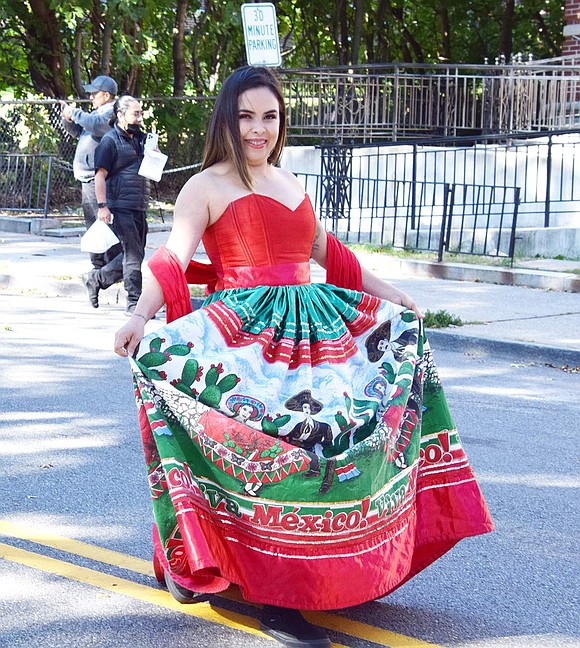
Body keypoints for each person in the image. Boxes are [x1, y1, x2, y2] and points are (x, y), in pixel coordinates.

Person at [113, 66, 493, 648]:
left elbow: (325, 251)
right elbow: (172, 258)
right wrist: (140, 315)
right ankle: (273, 594)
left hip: (316, 332)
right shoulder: (206, 186)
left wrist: (388, 294)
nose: (258, 129)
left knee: (340, 440)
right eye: (246, 116)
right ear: (227, 119)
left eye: (269, 116)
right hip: (245, 338)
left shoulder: (290, 181)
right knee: (271, 455)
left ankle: (313, 569)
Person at [60, 75, 123, 304]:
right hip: (88, 178)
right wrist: (68, 118)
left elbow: (96, 127)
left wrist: (75, 113)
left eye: (94, 93)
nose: (91, 97)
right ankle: (97, 272)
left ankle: (101, 274)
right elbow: (80, 132)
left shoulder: (109, 112)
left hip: (100, 180)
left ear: (106, 95)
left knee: (107, 230)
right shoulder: (94, 114)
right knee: (94, 229)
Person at [92, 95, 150, 315]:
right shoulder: (109, 140)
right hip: (119, 204)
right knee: (133, 255)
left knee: (135, 253)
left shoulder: (142, 139)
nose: (139, 118)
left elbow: (152, 168)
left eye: (141, 113)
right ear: (120, 114)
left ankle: (97, 279)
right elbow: (99, 176)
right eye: (135, 113)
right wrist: (102, 206)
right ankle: (134, 303)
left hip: (139, 203)